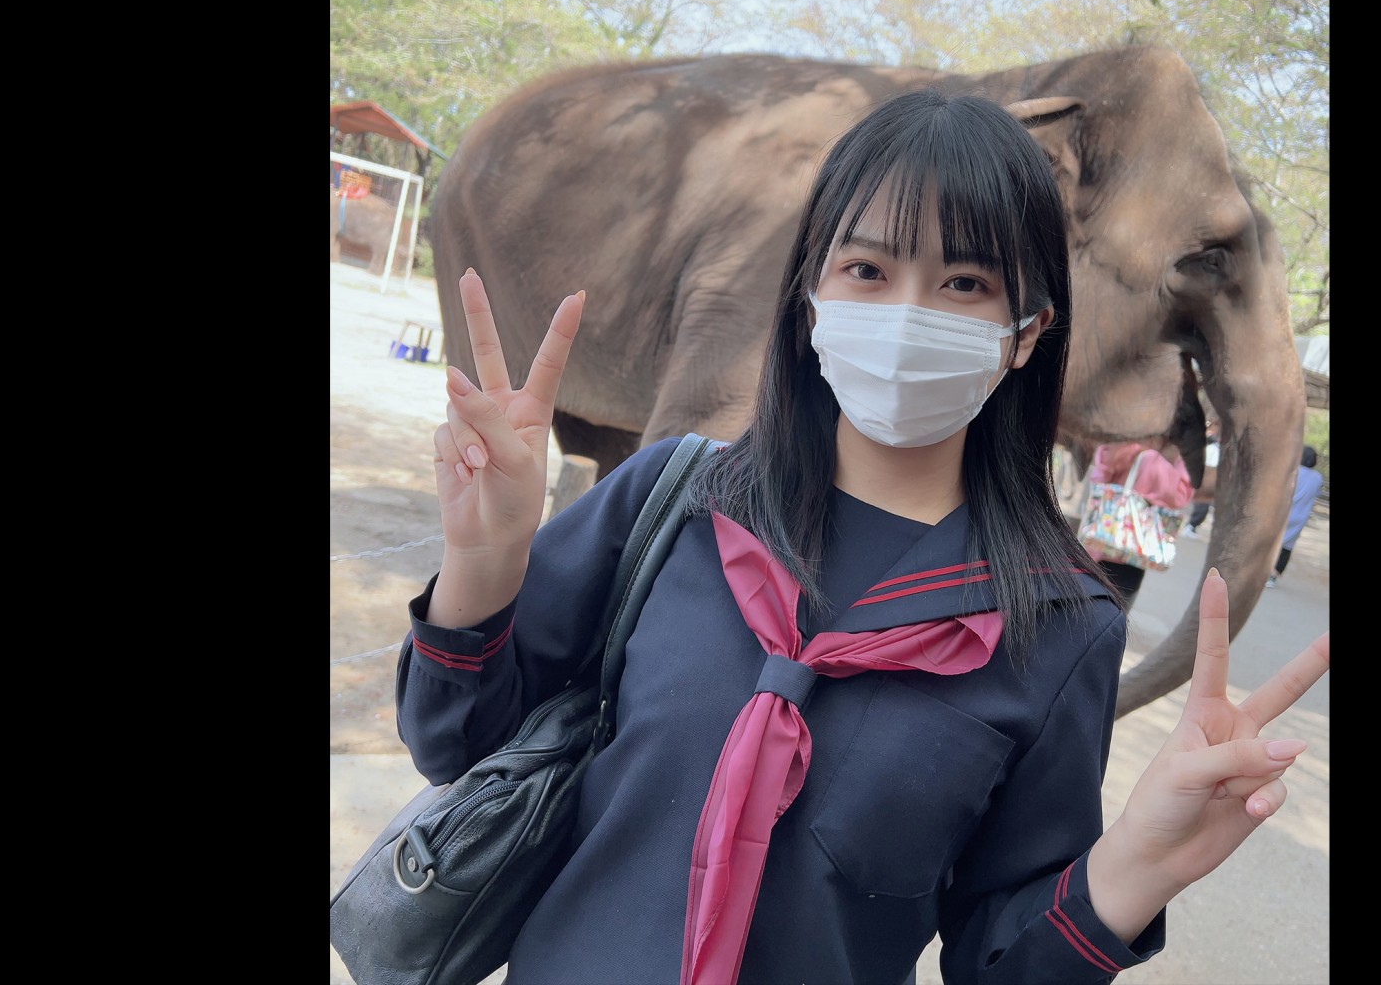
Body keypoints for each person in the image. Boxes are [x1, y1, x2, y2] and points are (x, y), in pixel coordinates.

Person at [397, 87, 1331, 985]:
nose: (905, 315)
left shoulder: (1058, 627)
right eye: (867, 271)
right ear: (812, 296)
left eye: (964, 283)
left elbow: (993, 961)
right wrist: (481, 563)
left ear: (1025, 332)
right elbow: (457, 745)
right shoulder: (672, 499)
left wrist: (1132, 869)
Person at [1082, 436, 1193, 613]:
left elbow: (1098, 477)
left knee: (1083, 608)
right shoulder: (1155, 460)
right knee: (1113, 613)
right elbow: (1180, 496)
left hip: (1100, 542)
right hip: (1133, 552)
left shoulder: (1122, 447)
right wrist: (1182, 458)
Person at [1265, 445, 1325, 589]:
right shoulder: (1318, 478)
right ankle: (1273, 576)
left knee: (1270, 542)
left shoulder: (1291, 471)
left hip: (1281, 513)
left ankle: (1261, 569)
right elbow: (1317, 493)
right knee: (1287, 547)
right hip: (1299, 517)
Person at [1180, 420, 1221, 539]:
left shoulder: (1214, 445)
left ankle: (1191, 526)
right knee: (1201, 503)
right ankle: (1190, 526)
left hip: (1206, 474)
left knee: (1202, 503)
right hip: (1204, 474)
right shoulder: (1209, 443)